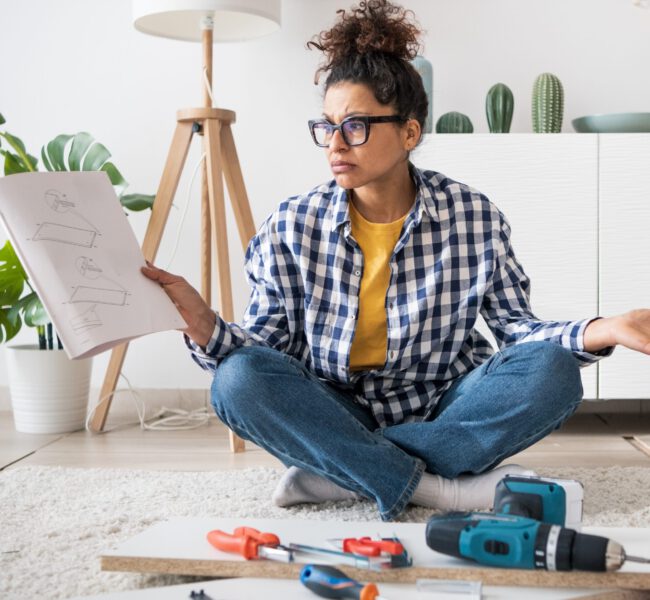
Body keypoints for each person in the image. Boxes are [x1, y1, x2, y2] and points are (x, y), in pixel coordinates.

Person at [142, 0, 650, 522]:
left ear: (409, 132)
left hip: (446, 404)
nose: (334, 144)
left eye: (356, 126)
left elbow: (518, 331)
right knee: (236, 382)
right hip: (337, 406)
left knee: (552, 372)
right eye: (326, 126)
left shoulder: (473, 216)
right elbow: (267, 354)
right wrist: (206, 328)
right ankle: (436, 489)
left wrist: (603, 329)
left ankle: (338, 470)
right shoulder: (292, 225)